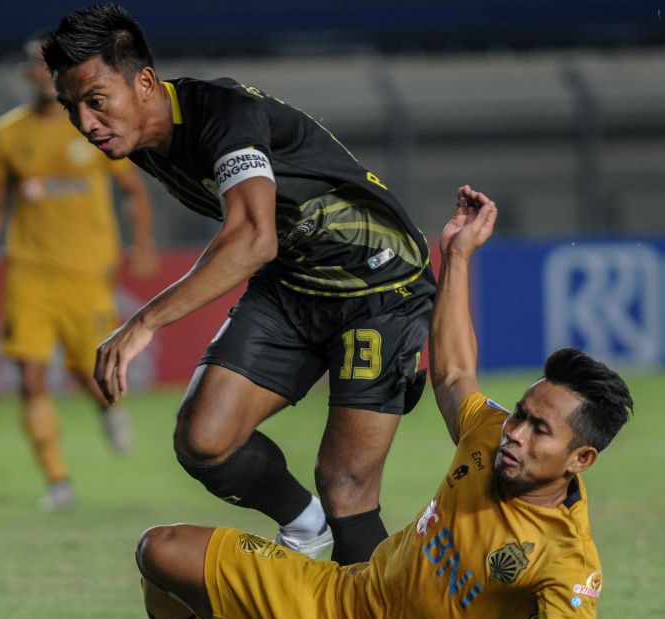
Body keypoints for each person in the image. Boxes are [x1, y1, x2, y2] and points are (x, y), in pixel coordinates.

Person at [124, 187, 634, 619]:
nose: (515, 433)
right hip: (330, 600)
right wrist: (459, 253)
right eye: (520, 413)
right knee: (158, 549)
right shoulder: (489, 437)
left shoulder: (567, 560)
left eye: (539, 429)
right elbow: (453, 370)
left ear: (581, 460)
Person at [43, 4, 436, 562]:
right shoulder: (143, 142)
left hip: (381, 287)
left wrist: (143, 322)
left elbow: (253, 238)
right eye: (71, 108)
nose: (85, 124)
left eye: (96, 101)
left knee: (345, 483)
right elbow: (255, 235)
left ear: (146, 82)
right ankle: (306, 525)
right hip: (294, 283)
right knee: (204, 441)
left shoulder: (222, 113)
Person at [0, 31, 156, 511]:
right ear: (28, 74)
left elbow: (134, 190)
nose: (46, 75)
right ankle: (58, 482)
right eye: (38, 67)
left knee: (92, 375)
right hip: (28, 272)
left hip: (87, 273)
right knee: (30, 378)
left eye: (55, 66)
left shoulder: (94, 122)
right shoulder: (5, 135)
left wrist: (142, 244)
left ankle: (109, 411)